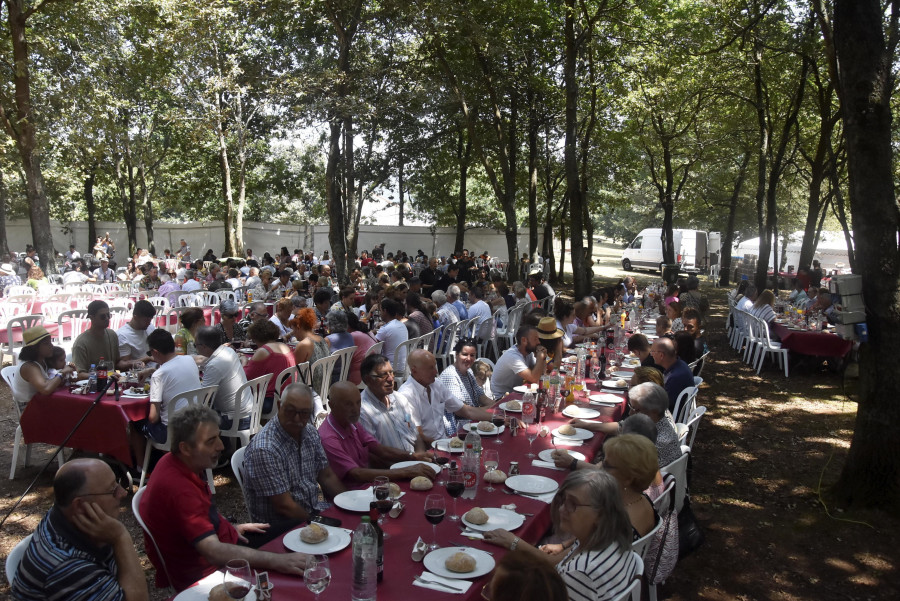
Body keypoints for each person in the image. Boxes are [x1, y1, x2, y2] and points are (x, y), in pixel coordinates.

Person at [139, 405, 308, 591]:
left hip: (222, 542)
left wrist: (230, 527)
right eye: (211, 441)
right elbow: (213, 551)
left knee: (298, 526)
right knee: (294, 567)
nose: (221, 446)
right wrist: (277, 561)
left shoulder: (181, 462)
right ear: (185, 448)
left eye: (218, 436)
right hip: (208, 574)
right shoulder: (179, 489)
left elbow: (200, 514)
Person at [482, 470, 638, 601]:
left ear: (601, 514)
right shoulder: (610, 538)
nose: (562, 509)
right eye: (564, 500)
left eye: (573, 504)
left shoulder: (580, 573)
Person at [11, 458, 147, 601]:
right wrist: (121, 537)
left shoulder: (65, 515)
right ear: (80, 505)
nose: (122, 493)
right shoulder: (66, 566)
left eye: (118, 484)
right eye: (112, 490)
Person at [243, 383, 346, 523]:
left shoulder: (309, 432)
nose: (297, 419)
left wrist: (348, 504)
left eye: (304, 413)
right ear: (279, 406)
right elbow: (284, 507)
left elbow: (326, 476)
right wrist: (321, 523)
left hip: (312, 511)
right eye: (290, 411)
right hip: (281, 527)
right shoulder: (265, 449)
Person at [319, 382, 436, 485]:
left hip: (368, 486)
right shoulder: (328, 437)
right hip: (351, 495)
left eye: (358, 402)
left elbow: (379, 449)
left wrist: (413, 456)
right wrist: (406, 472)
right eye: (348, 404)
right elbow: (356, 474)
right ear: (331, 405)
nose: (356, 409)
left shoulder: (351, 422)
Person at [131, 329, 201, 466]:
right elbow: (173, 370)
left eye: (150, 353)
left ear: (155, 352)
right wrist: (151, 370)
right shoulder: (189, 360)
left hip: (171, 432)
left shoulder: (160, 375)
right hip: (195, 423)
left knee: (135, 423)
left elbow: (153, 417)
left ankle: (140, 467)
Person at [396, 349, 494, 442]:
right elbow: (418, 437)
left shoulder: (436, 384)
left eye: (435, 366)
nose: (436, 372)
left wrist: (496, 416)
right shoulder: (407, 395)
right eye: (430, 368)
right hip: (430, 449)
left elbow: (465, 410)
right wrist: (447, 446)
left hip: (444, 442)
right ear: (414, 371)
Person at [359, 354, 428, 453]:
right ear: (367, 379)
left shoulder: (400, 399)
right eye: (383, 375)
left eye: (391, 373)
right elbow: (373, 454)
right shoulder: (363, 410)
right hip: (391, 467)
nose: (391, 379)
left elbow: (414, 432)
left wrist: (420, 456)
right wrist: (413, 459)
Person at [195, 326, 251, 431]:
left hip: (233, 419)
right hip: (248, 412)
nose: (196, 348)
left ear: (204, 347)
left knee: (194, 420)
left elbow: (202, 397)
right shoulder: (228, 351)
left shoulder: (214, 365)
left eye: (196, 345)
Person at [439, 338, 494, 434]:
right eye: (464, 354)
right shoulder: (451, 375)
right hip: (459, 428)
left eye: (472, 355)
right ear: (456, 355)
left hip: (472, 421)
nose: (469, 359)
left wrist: (500, 405)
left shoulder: (469, 372)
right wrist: (492, 412)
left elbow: (483, 398)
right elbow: (464, 411)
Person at [244, 319, 296, 415]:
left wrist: (243, 362)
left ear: (255, 337)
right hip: (287, 395)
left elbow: (245, 377)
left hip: (270, 401)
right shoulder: (286, 347)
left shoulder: (264, 351)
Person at [11, 327, 77, 402]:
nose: (51, 346)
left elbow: (49, 382)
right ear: (35, 348)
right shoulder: (29, 367)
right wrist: (62, 373)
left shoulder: (42, 360)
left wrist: (66, 371)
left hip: (41, 401)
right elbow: (46, 389)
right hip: (29, 407)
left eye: (50, 342)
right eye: (46, 344)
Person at [491, 325, 548, 398]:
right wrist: (540, 357)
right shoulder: (513, 357)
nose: (539, 342)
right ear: (524, 340)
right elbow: (534, 378)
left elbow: (541, 373)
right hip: (501, 397)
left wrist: (543, 358)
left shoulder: (528, 352)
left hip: (517, 392)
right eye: (535, 339)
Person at [73, 301, 121, 379]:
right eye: (103, 316)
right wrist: (103, 375)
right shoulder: (81, 343)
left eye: (108, 315)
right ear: (92, 318)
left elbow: (118, 362)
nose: (107, 318)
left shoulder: (112, 335)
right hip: (93, 385)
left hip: (112, 382)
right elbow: (80, 374)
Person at [650, 336, 694, 412]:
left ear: (661, 355)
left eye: (653, 352)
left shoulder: (675, 377)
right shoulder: (679, 363)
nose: (651, 355)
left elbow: (662, 406)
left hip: (670, 417)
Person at [116, 299, 156, 370]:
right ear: (135, 317)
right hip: (138, 372)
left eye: (150, 320)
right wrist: (148, 359)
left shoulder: (150, 327)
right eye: (146, 320)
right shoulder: (123, 335)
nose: (149, 323)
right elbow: (124, 365)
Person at [375, 297, 409, 371]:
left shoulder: (385, 329)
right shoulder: (401, 325)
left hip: (391, 367)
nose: (380, 313)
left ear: (385, 311)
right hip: (404, 366)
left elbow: (373, 346)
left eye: (380, 311)